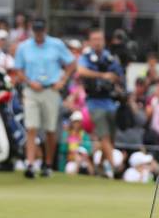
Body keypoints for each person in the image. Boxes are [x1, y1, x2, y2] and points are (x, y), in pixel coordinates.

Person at [14, 18, 76, 178]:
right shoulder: (24, 47)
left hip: (51, 90)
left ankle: (47, 164)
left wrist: (63, 80)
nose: (38, 34)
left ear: (45, 30)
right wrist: (29, 81)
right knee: (31, 127)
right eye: (36, 31)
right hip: (31, 90)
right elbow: (18, 70)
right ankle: (30, 164)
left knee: (50, 130)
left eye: (41, 30)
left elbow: (71, 63)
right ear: (32, 30)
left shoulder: (56, 44)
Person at [78, 28, 124, 177]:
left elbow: (119, 76)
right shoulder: (86, 56)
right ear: (90, 42)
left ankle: (99, 166)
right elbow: (81, 71)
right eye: (95, 39)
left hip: (110, 101)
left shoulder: (110, 57)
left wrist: (113, 77)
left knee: (111, 138)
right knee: (104, 135)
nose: (97, 42)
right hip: (94, 102)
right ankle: (115, 166)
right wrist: (103, 75)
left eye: (100, 39)